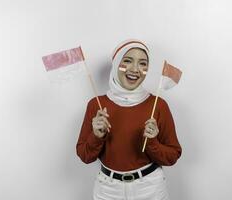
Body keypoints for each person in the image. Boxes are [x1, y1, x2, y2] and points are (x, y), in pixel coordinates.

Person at [76, 39, 182, 200]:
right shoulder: (97, 105)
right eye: (127, 61)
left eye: (142, 63)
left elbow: (172, 156)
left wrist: (152, 142)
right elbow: (85, 156)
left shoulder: (158, 105)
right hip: (108, 190)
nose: (135, 69)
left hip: (150, 189)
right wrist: (96, 136)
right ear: (116, 63)